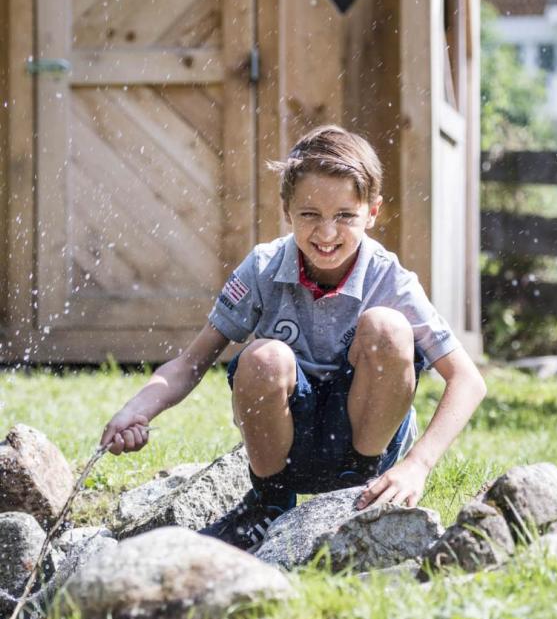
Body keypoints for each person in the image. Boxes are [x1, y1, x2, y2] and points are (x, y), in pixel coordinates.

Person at [100, 125, 487, 550]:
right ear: (287, 210)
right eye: (309, 215)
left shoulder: (390, 278)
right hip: (287, 450)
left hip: (367, 444)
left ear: (372, 212)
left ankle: (357, 491)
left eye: (345, 216)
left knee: (388, 327)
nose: (326, 233)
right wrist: (136, 410)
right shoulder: (263, 268)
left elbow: (468, 380)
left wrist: (418, 465)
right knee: (264, 356)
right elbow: (193, 363)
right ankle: (268, 504)